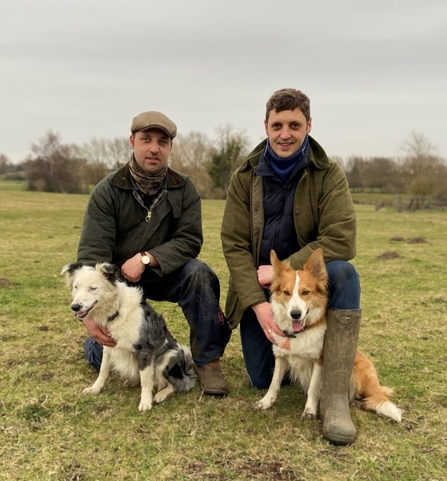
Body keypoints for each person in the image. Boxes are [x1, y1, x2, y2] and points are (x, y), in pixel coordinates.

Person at [221, 88, 361, 444]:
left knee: (344, 270)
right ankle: (302, 356)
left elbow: (341, 239)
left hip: (304, 285)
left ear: (308, 126)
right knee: (259, 377)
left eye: (295, 125)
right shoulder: (244, 176)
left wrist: (285, 269)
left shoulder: (329, 173)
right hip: (265, 294)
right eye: (278, 124)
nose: (286, 133)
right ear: (266, 126)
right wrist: (258, 304)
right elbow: (234, 244)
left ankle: (333, 395)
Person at [77, 110, 231, 396]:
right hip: (120, 285)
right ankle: (115, 345)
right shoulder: (107, 191)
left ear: (170, 148)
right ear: (132, 141)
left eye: (162, 142)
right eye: (146, 139)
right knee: (105, 354)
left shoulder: (184, 188)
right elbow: (92, 254)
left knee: (199, 273)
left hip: (165, 272)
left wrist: (147, 258)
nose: (154, 148)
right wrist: (87, 313)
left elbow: (189, 240)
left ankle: (207, 361)